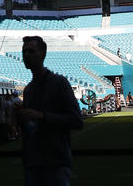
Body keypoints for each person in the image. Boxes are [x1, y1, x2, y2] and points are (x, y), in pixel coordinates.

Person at [17, 36, 83, 186]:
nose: (26, 55)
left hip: (56, 162)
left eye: (31, 51)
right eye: (24, 51)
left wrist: (41, 116)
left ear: (43, 54)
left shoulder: (59, 83)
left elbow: (77, 121)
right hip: (33, 162)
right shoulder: (28, 90)